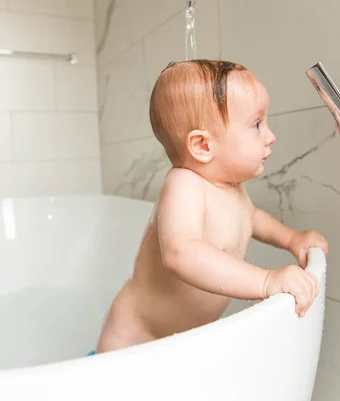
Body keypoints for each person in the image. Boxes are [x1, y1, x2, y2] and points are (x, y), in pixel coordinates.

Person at [96, 59, 328, 353]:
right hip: (136, 338)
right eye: (257, 125)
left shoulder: (231, 188)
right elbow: (181, 252)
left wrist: (292, 239)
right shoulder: (184, 185)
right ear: (203, 146)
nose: (270, 136)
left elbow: (252, 217)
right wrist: (267, 281)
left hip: (182, 338)